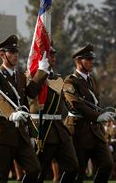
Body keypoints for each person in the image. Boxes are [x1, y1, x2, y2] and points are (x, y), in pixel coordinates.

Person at [0, 34, 48, 183]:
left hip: (20, 133)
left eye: (16, 52)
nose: (15, 55)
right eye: (12, 52)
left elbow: (31, 92)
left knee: (34, 169)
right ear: (2, 55)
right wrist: (12, 114)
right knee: (1, 177)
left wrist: (42, 72)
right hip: (1, 131)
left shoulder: (20, 77)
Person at [62, 44, 115, 183]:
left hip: (95, 131)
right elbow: (76, 104)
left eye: (92, 59)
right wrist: (98, 116)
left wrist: (101, 114)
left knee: (107, 164)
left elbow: (95, 102)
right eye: (88, 59)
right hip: (78, 130)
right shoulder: (69, 81)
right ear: (79, 61)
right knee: (79, 171)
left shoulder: (93, 80)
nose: (92, 62)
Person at [29, 45, 79, 183]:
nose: (53, 58)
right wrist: (41, 71)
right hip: (42, 129)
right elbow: (31, 92)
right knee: (39, 171)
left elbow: (65, 101)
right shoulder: (31, 75)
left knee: (73, 167)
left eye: (53, 55)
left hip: (59, 130)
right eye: (50, 55)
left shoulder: (58, 78)